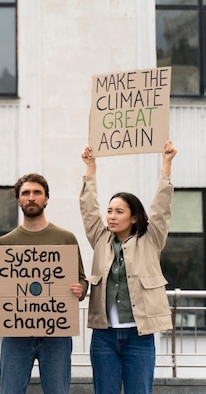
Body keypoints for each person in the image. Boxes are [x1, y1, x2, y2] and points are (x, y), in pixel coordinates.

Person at [80, 140, 177, 394]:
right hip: (104, 337)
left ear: (133, 216)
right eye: (110, 211)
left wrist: (166, 164)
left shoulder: (151, 239)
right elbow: (89, 210)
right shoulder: (100, 239)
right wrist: (90, 169)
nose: (111, 216)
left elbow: (161, 208)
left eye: (119, 211)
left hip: (139, 337)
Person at [0, 173, 88, 394]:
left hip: (56, 335)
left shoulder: (65, 238)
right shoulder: (6, 242)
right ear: (18, 200)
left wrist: (80, 289)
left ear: (46, 199)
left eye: (37, 193)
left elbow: (81, 278)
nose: (31, 197)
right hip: (15, 334)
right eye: (26, 193)